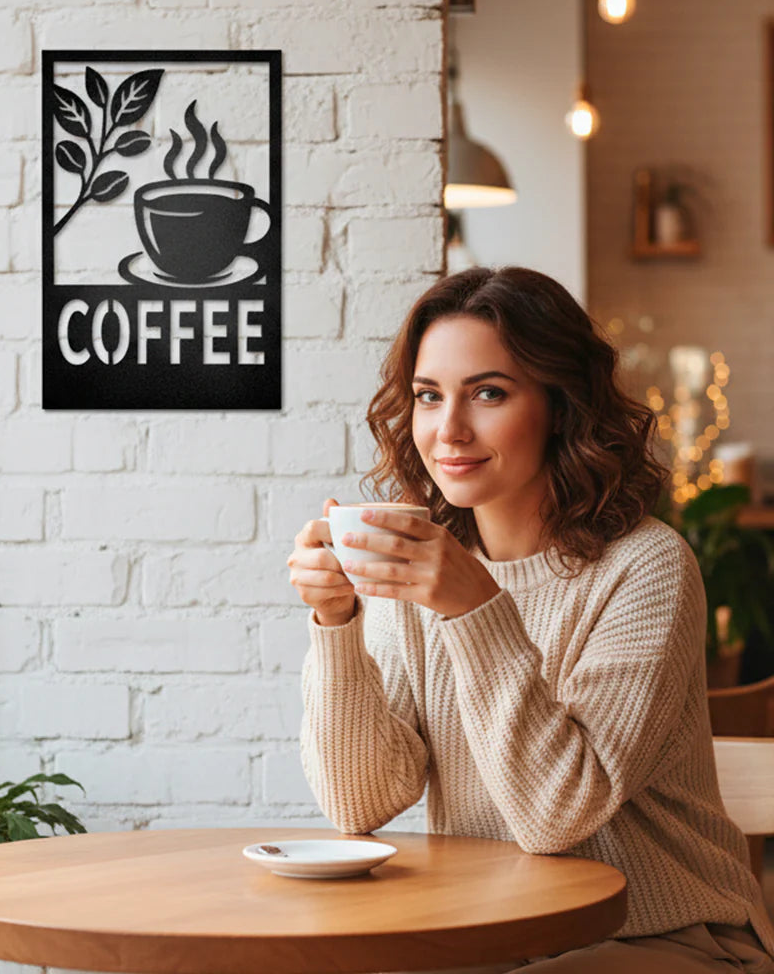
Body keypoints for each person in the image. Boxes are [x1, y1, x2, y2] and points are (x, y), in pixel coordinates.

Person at [287, 267, 774, 973]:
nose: (449, 429)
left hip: (666, 937)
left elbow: (558, 816)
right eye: (429, 396)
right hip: (493, 935)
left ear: (561, 405)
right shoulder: (421, 569)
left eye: (488, 392)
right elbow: (359, 802)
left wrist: (473, 606)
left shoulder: (646, 567)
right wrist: (336, 627)